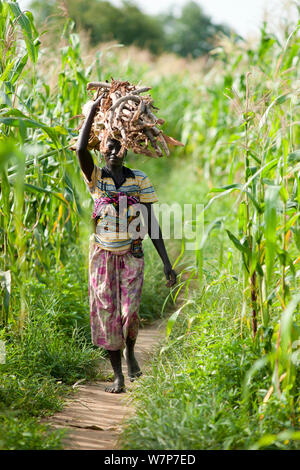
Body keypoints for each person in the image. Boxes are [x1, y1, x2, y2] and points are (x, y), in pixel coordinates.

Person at [76, 95, 177, 393]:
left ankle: (131, 352)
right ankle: (118, 374)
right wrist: (93, 111)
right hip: (102, 255)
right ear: (103, 146)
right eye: (110, 144)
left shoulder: (139, 180)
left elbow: (151, 222)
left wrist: (167, 263)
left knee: (129, 313)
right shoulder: (95, 177)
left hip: (132, 254)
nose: (114, 150)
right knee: (107, 313)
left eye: (120, 146)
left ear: (127, 149)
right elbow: (81, 149)